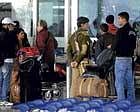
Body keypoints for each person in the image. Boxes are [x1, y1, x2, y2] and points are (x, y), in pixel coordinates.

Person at [113, 12, 136, 102]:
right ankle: (131, 101)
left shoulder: (120, 31)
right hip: (129, 59)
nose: (118, 20)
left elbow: (115, 45)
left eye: (119, 18)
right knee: (129, 81)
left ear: (123, 19)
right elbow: (134, 46)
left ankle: (121, 101)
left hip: (120, 59)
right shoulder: (132, 31)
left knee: (119, 81)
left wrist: (111, 47)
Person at [67, 17, 91, 97]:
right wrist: (77, 61)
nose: (88, 25)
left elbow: (68, 50)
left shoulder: (72, 35)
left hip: (74, 62)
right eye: (87, 24)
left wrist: (71, 61)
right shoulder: (84, 35)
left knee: (74, 83)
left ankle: (72, 101)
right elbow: (84, 51)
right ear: (82, 25)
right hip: (83, 62)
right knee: (84, 83)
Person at [0, 17, 18, 101]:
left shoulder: (1, 33)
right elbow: (10, 46)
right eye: (11, 25)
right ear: (8, 25)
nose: (13, 27)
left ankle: (2, 98)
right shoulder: (7, 34)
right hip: (7, 59)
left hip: (2, 60)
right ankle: (3, 98)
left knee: (1, 79)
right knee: (6, 80)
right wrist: (12, 33)